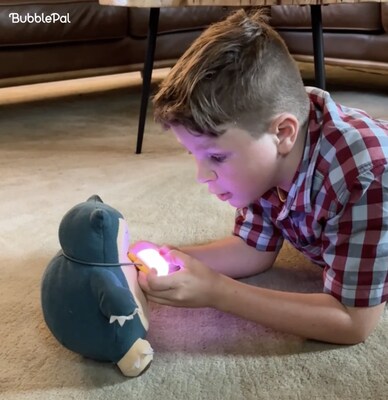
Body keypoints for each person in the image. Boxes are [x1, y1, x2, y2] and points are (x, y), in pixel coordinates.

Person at [132, 9, 388, 345]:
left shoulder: (364, 176)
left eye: (217, 156)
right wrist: (166, 257)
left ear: (283, 133)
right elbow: (254, 250)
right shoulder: (270, 151)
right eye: (193, 154)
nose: (201, 176)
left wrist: (218, 292)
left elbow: (352, 321)